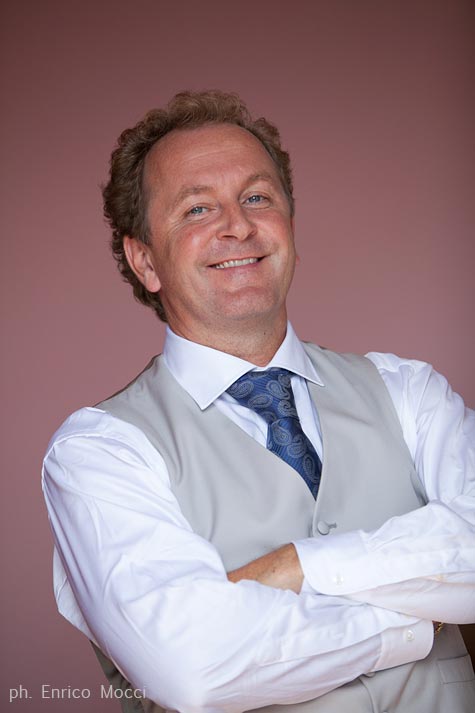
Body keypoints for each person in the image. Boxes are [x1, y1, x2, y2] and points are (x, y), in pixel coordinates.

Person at [42, 90, 475, 713]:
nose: (236, 225)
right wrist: (418, 619)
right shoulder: (99, 450)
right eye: (197, 208)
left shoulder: (408, 390)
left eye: (256, 197)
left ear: (290, 229)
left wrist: (298, 566)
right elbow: (195, 668)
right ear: (145, 261)